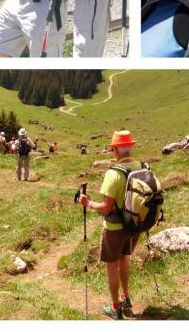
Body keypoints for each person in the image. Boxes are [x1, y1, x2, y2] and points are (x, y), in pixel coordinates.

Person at [79, 130, 141, 319]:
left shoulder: (113, 174)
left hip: (114, 228)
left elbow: (106, 208)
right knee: (124, 259)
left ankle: (115, 307)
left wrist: (88, 203)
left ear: (114, 150)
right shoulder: (141, 166)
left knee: (111, 265)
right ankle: (126, 296)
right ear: (130, 148)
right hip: (134, 225)